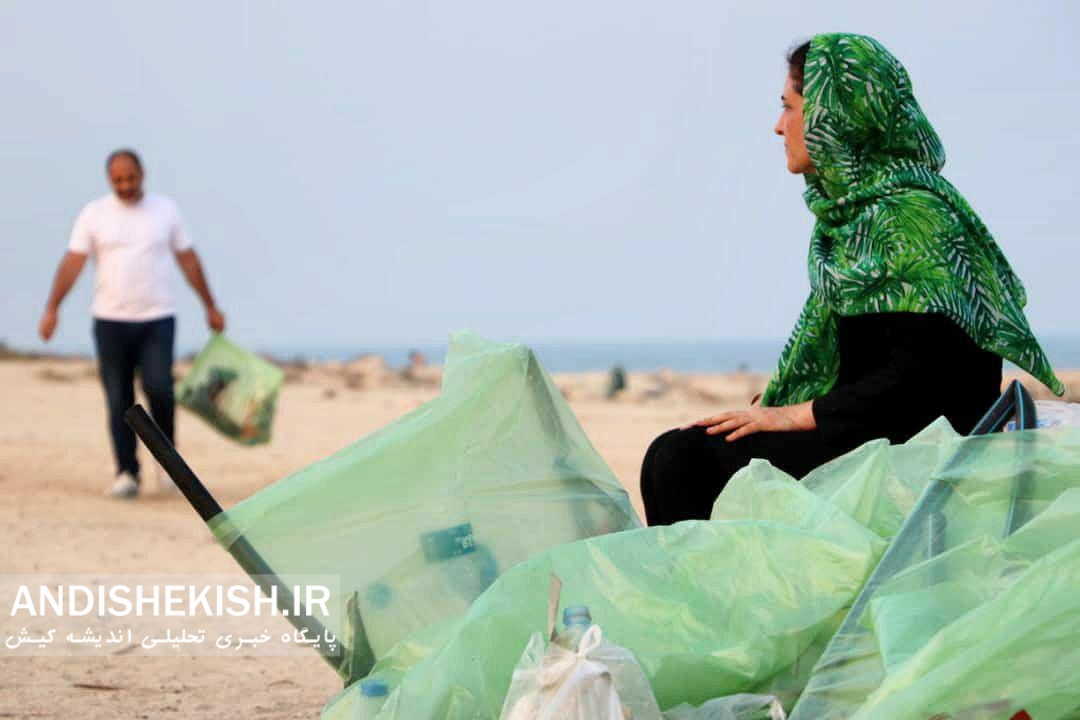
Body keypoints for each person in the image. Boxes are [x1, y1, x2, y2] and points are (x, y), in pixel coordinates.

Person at [640, 34, 1064, 526]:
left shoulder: (912, 219)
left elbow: (930, 378)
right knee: (680, 450)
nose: (778, 126)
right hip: (872, 429)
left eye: (789, 107)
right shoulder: (856, 220)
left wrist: (792, 414)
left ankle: (709, 581)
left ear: (834, 116)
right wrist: (788, 405)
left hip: (916, 450)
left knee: (684, 461)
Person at [38, 149, 226, 498]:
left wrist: (210, 305)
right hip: (111, 321)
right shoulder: (94, 214)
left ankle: (168, 466)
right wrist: (52, 308)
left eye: (130, 178)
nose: (125, 185)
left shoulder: (165, 210)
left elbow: (188, 259)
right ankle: (127, 472)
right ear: (109, 180)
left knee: (160, 388)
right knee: (119, 398)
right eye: (118, 180)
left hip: (157, 318)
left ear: (143, 174)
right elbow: (73, 262)